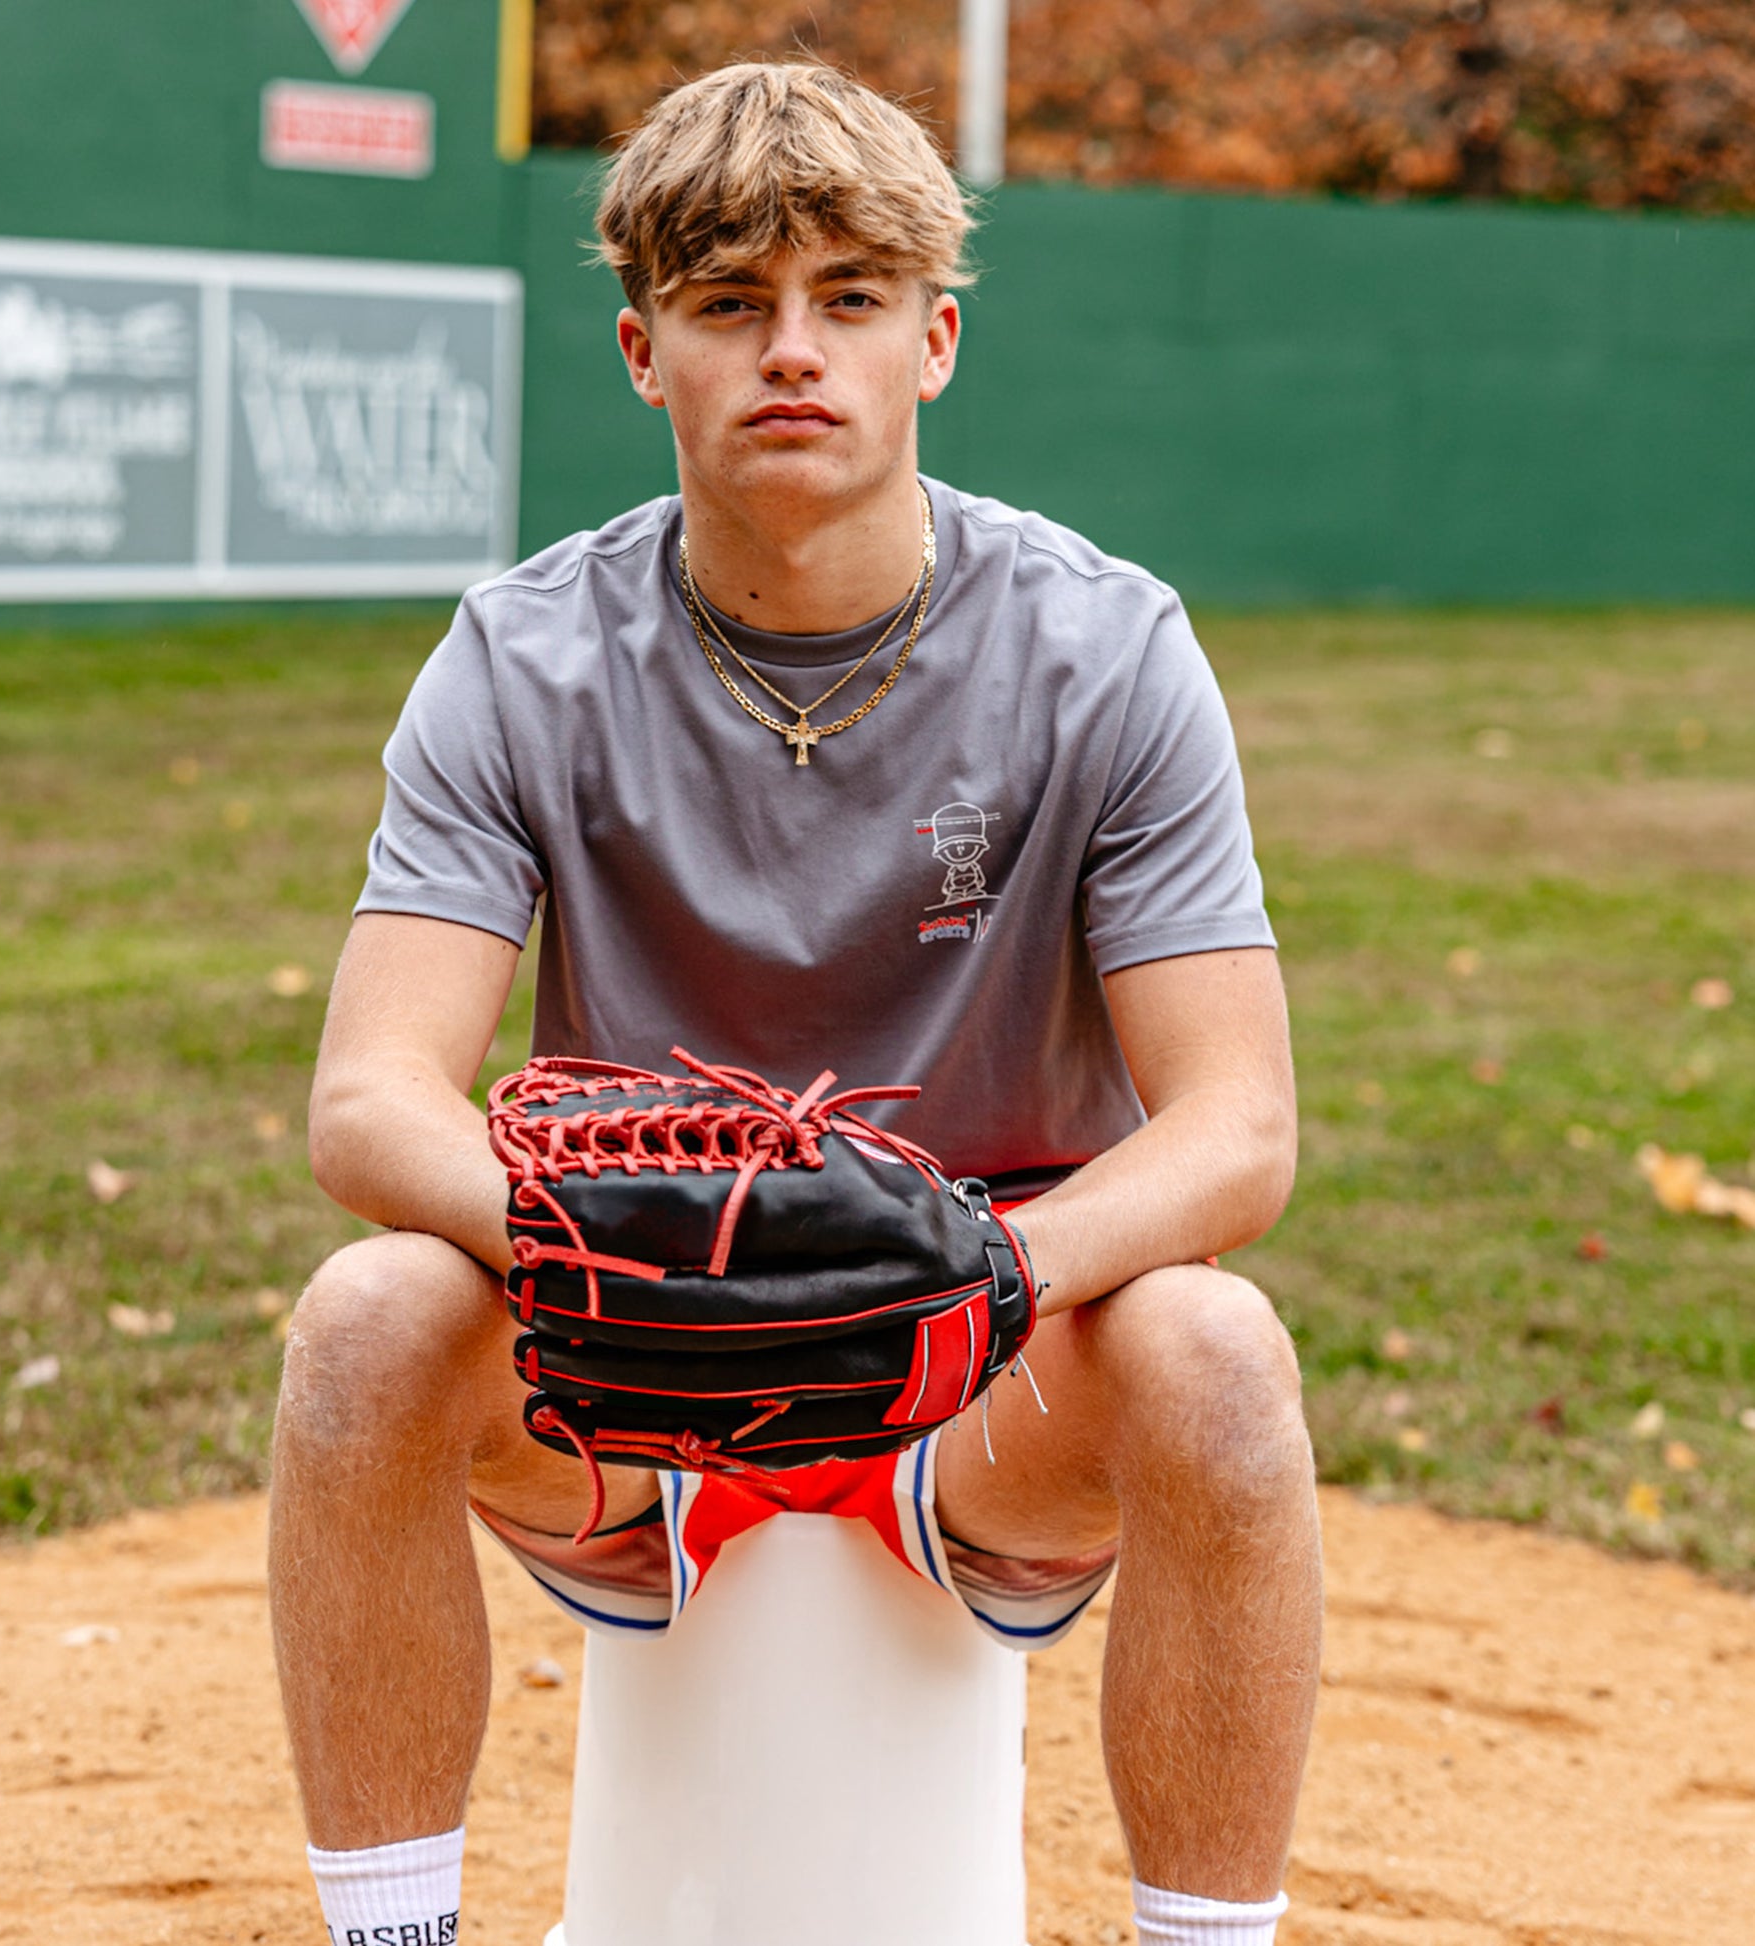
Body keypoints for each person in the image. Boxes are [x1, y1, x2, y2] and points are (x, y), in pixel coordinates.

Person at [271, 58, 1322, 1946]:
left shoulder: (1104, 647)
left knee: (1222, 1361)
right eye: (728, 303)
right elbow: (369, 1099)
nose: (790, 352)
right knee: (362, 1324)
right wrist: (605, 1240)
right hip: (632, 1356)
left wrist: (989, 1268)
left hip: (987, 1360)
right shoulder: (521, 655)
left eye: (845, 300)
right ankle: (393, 1935)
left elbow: (1238, 1127)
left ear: (932, 340)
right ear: (637, 349)